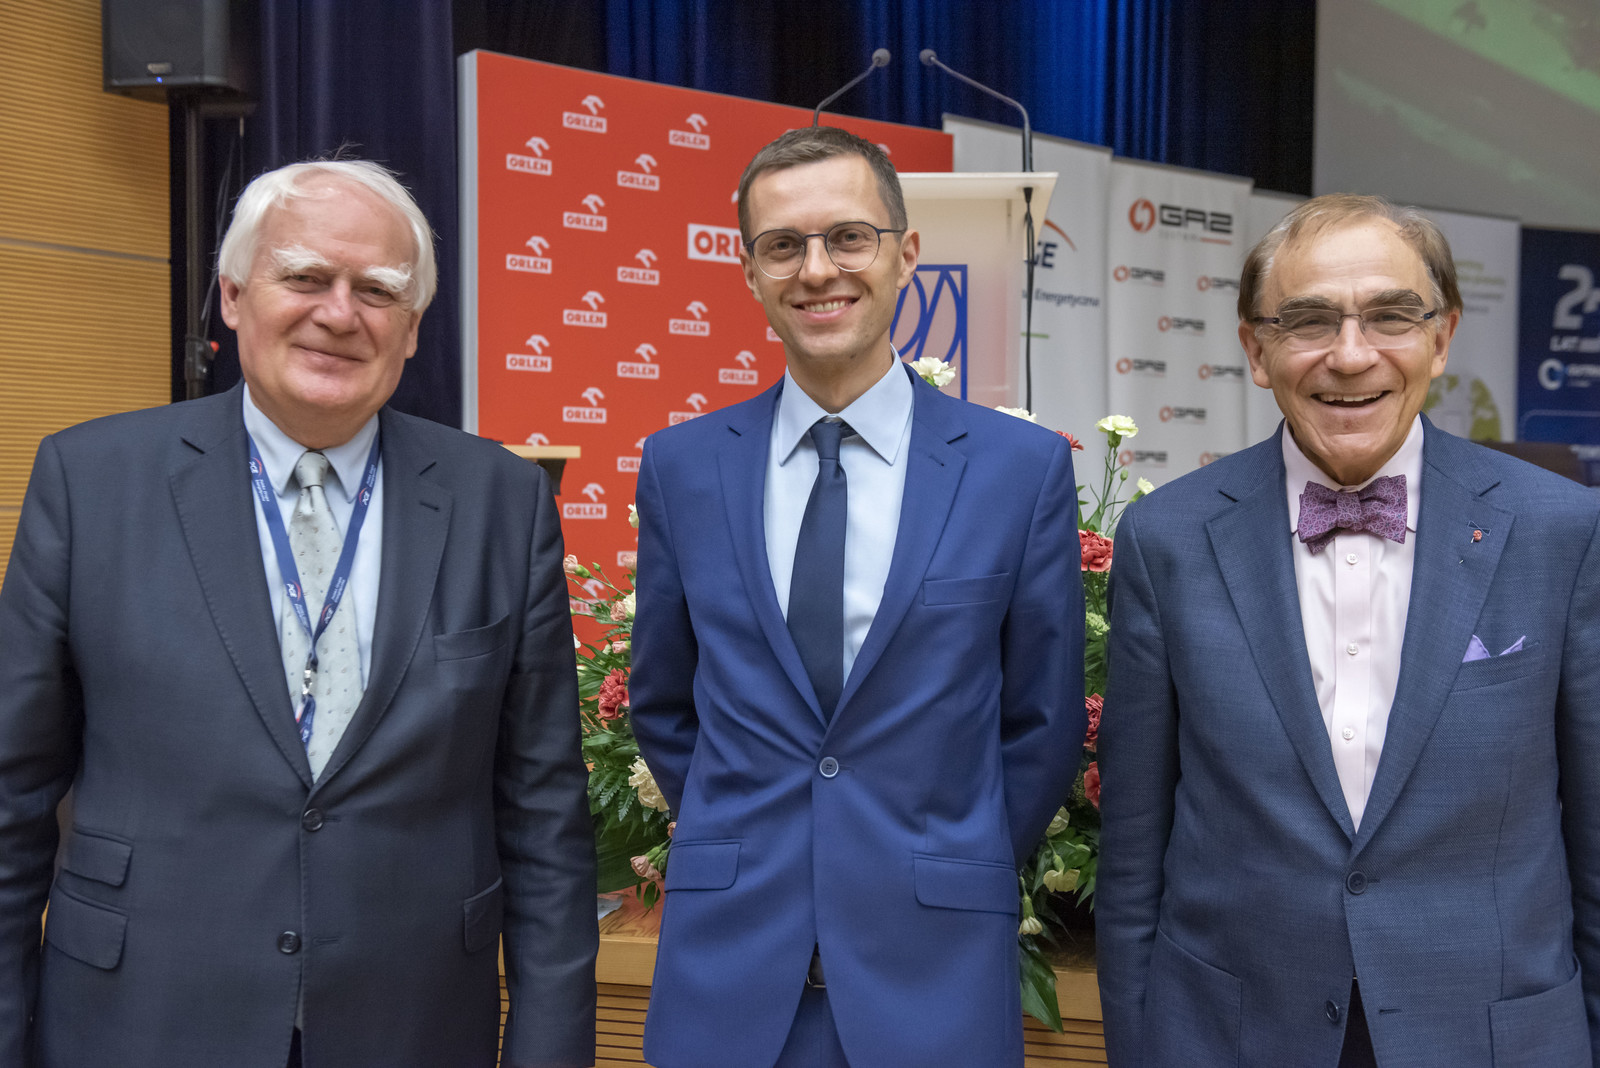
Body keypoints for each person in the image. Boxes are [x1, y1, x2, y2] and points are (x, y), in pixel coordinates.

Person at [0, 159, 597, 1068]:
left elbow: (544, 815)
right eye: (306, 276)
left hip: (414, 1025)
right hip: (139, 1019)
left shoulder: (501, 503)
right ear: (234, 296)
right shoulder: (89, 484)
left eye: (378, 290)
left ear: (412, 328)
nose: (340, 314)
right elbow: (11, 797)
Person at [1095, 193, 1600, 1067]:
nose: (1352, 354)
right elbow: (1133, 854)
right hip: (1230, 1036)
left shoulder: (1562, 531)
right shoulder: (1166, 538)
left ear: (1442, 337)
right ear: (1256, 349)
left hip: (1493, 1038)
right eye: (1308, 321)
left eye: (1392, 316)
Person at [628, 125, 1085, 1068]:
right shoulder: (682, 467)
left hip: (935, 972)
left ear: (906, 254)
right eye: (782, 245)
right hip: (728, 971)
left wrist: (944, 857)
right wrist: (744, 831)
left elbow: (1041, 723)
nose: (816, 270)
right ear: (749, 271)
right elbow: (664, 704)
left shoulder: (1018, 469)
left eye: (848, 237)